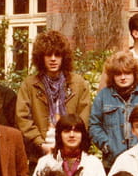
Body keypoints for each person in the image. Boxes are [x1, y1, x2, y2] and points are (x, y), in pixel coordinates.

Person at [16, 30, 91, 161]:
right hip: (39, 154)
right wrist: (40, 143)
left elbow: (84, 119)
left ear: (64, 57)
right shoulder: (29, 85)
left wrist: (70, 144)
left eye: (57, 55)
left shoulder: (78, 84)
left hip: (72, 153)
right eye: (48, 54)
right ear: (41, 57)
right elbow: (23, 118)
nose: (53, 59)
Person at [90, 51, 138, 170]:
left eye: (127, 73)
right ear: (112, 76)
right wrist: (106, 145)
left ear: (134, 74)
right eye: (118, 74)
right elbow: (94, 125)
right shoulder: (103, 96)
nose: (123, 77)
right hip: (112, 161)